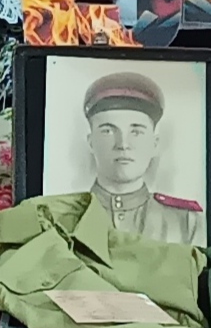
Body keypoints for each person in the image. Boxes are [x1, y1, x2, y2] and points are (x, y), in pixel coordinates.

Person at [74, 69, 201, 243]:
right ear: (91, 142)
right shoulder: (61, 218)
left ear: (154, 144)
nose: (123, 144)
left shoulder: (186, 223)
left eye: (136, 132)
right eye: (108, 131)